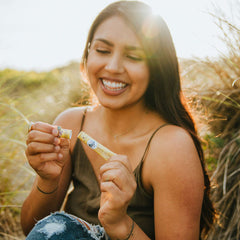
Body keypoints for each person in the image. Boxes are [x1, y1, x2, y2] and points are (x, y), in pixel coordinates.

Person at [21, 1, 216, 239]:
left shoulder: (172, 147)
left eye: (133, 56)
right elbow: (33, 231)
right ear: (88, 52)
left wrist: (120, 223)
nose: (113, 67)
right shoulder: (71, 123)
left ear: (156, 68)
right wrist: (47, 179)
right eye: (103, 51)